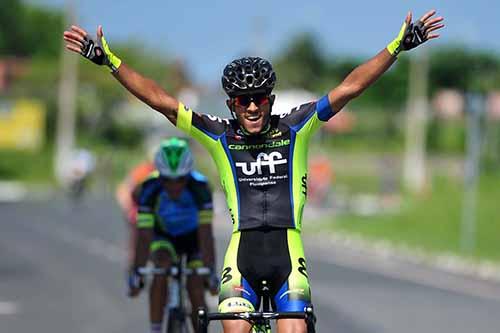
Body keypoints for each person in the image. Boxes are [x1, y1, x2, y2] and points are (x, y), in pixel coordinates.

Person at [63, 9, 444, 333]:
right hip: (241, 253)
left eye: (259, 98)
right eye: (243, 100)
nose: (251, 107)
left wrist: (397, 48)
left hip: (286, 251)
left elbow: (349, 88)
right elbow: (160, 100)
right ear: (231, 104)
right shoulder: (218, 135)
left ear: (270, 99)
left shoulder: (298, 125)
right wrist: (109, 61)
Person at [127, 137, 218, 333]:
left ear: (189, 175)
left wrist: (210, 272)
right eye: (167, 180)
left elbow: (206, 234)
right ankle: (156, 329)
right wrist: (137, 271)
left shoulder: (200, 188)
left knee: (195, 286)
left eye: (181, 180)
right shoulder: (149, 188)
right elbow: (143, 235)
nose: (174, 186)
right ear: (159, 174)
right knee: (161, 269)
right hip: (163, 237)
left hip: (193, 239)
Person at [115, 157, 155, 265]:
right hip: (139, 211)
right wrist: (128, 209)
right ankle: (135, 264)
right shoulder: (143, 171)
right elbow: (124, 189)